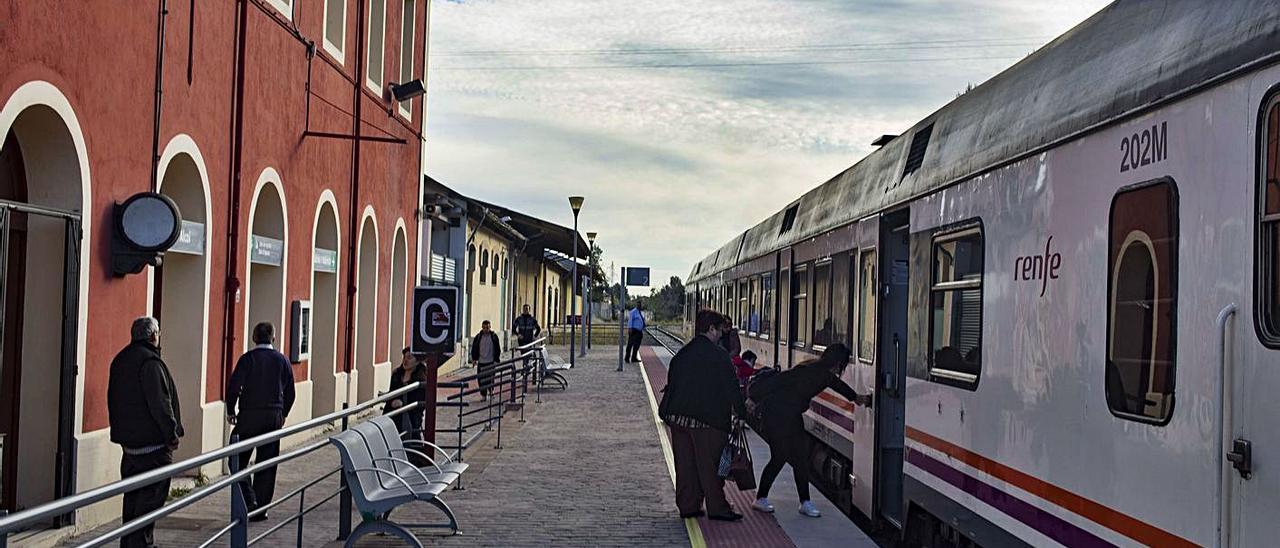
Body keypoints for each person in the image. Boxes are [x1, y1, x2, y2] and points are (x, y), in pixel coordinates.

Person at [751, 343, 871, 518]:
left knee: (800, 457)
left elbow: (836, 384)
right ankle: (760, 498)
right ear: (837, 362)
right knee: (780, 457)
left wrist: (857, 398)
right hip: (776, 415)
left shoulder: (817, 369)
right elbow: (780, 380)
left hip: (790, 415)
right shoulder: (814, 371)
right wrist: (754, 398)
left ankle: (805, 502)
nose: (841, 369)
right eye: (842, 364)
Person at [660, 310, 748, 521]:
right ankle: (718, 508)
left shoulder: (682, 354)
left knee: (685, 465)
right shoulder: (719, 356)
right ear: (711, 329)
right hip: (708, 421)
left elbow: (671, 385)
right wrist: (742, 413)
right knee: (711, 467)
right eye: (719, 330)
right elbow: (731, 388)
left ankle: (688, 506)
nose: (720, 335)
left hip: (678, 419)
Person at [109, 317, 183, 548]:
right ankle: (142, 545)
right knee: (150, 502)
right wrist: (171, 433)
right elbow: (160, 403)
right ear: (152, 336)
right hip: (152, 447)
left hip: (129, 445)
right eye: (158, 333)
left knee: (132, 501)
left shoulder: (120, 360)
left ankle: (130, 544)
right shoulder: (150, 363)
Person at [226, 322, 295, 521]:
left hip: (249, 415)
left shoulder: (247, 359)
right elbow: (291, 391)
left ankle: (249, 497)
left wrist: (231, 409)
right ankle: (260, 509)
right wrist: (284, 413)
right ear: (273, 338)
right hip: (272, 415)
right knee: (267, 462)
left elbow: (234, 386)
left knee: (236, 457)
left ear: (254, 338)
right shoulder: (282, 361)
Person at [385, 348, 429, 441]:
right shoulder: (396, 374)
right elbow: (391, 393)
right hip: (394, 414)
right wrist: (391, 402)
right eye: (404, 357)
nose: (405, 360)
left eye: (409, 358)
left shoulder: (421, 379)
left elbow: (421, 402)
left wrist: (404, 403)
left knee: (411, 440)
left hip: (411, 417)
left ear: (417, 361)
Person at [471, 320, 501, 398]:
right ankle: (483, 395)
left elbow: (497, 348)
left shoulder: (494, 336)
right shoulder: (478, 337)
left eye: (487, 328)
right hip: (481, 361)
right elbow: (474, 348)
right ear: (482, 328)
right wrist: (474, 359)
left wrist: (497, 360)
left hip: (490, 361)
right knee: (481, 380)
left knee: (490, 378)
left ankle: (491, 392)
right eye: (484, 328)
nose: (486, 329)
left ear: (490, 327)